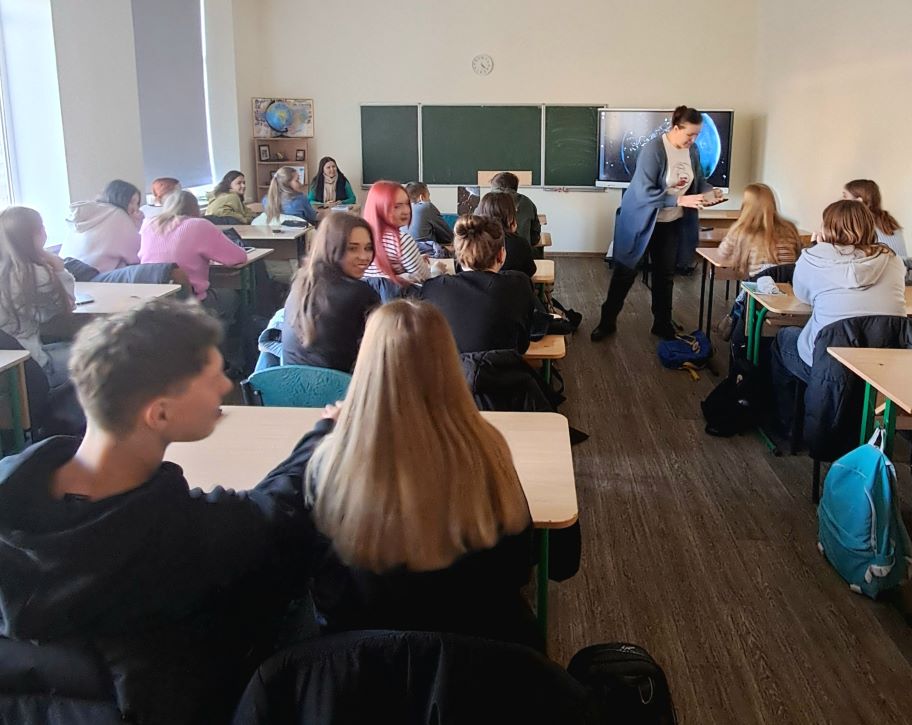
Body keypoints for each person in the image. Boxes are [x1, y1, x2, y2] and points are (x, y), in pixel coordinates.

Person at [0, 298, 330, 723]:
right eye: (212, 378)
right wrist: (323, 436)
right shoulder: (183, 537)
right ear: (159, 413)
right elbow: (274, 514)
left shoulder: (18, 492)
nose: (227, 386)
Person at [306, 299, 540, 649]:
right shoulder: (489, 449)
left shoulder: (328, 462)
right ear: (449, 361)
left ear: (365, 362)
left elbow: (321, 584)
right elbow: (521, 564)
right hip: (475, 655)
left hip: (362, 658)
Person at [591, 106, 724, 342]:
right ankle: (606, 322)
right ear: (676, 128)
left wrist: (710, 192)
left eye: (697, 135)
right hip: (640, 221)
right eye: (690, 134)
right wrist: (679, 200)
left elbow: (698, 180)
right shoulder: (653, 150)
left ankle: (662, 324)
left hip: (670, 223)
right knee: (625, 273)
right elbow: (644, 193)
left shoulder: (692, 151)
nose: (693, 140)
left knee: (665, 276)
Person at [771, 199, 906, 389]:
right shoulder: (892, 259)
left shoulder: (812, 258)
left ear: (827, 227)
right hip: (882, 368)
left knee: (784, 338)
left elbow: (802, 296)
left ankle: (794, 406)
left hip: (828, 366)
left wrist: (817, 247)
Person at [419, 215, 536, 354]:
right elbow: (522, 345)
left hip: (450, 367)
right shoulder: (520, 285)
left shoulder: (432, 288)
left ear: (458, 256)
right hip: (505, 367)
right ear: (501, 254)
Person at [282, 213, 380, 372]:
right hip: (340, 385)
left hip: (289, 383)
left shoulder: (301, 283)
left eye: (368, 248)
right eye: (352, 248)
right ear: (331, 248)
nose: (364, 257)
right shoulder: (360, 293)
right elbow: (380, 350)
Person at [0, 206, 75, 386]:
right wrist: (59, 269)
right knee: (103, 357)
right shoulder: (32, 275)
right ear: (31, 236)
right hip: (35, 367)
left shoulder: (7, 271)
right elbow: (68, 304)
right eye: (41, 227)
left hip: (10, 370)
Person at [139, 190, 247, 305]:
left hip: (153, 301)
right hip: (191, 303)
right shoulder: (198, 225)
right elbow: (239, 257)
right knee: (232, 295)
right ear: (195, 208)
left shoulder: (148, 225)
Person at [716, 182, 803, 278]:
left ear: (746, 205)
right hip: (789, 283)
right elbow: (799, 254)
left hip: (759, 285)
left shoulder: (740, 230)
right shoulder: (789, 228)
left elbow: (722, 255)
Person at [361, 180, 430, 301]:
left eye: (407, 203)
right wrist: (436, 269)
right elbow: (424, 278)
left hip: (368, 305)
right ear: (380, 207)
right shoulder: (401, 241)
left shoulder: (361, 238)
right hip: (398, 306)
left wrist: (416, 260)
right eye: (397, 206)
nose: (406, 210)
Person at [61, 179, 144, 273]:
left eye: (137, 204)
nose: (136, 208)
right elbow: (139, 254)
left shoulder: (91, 212)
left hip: (66, 270)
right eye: (132, 202)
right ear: (120, 198)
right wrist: (138, 222)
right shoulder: (117, 215)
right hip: (91, 275)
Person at [475, 191, 536, 278]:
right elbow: (530, 271)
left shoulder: (472, 243)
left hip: (478, 286)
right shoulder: (520, 244)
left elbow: (462, 271)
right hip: (512, 287)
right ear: (511, 216)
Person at [842, 179, 907, 256]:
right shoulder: (888, 220)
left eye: (845, 196)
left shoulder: (860, 224)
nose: (841, 200)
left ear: (858, 201)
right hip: (902, 263)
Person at [490, 172, 541, 253]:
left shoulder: (485, 202)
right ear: (515, 187)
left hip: (489, 255)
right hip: (522, 253)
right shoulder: (527, 202)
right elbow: (535, 237)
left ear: (494, 186)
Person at [405, 181, 454, 257]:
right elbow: (448, 237)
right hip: (428, 255)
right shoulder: (426, 207)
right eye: (428, 196)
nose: (430, 200)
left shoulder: (400, 211)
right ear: (421, 197)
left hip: (406, 254)